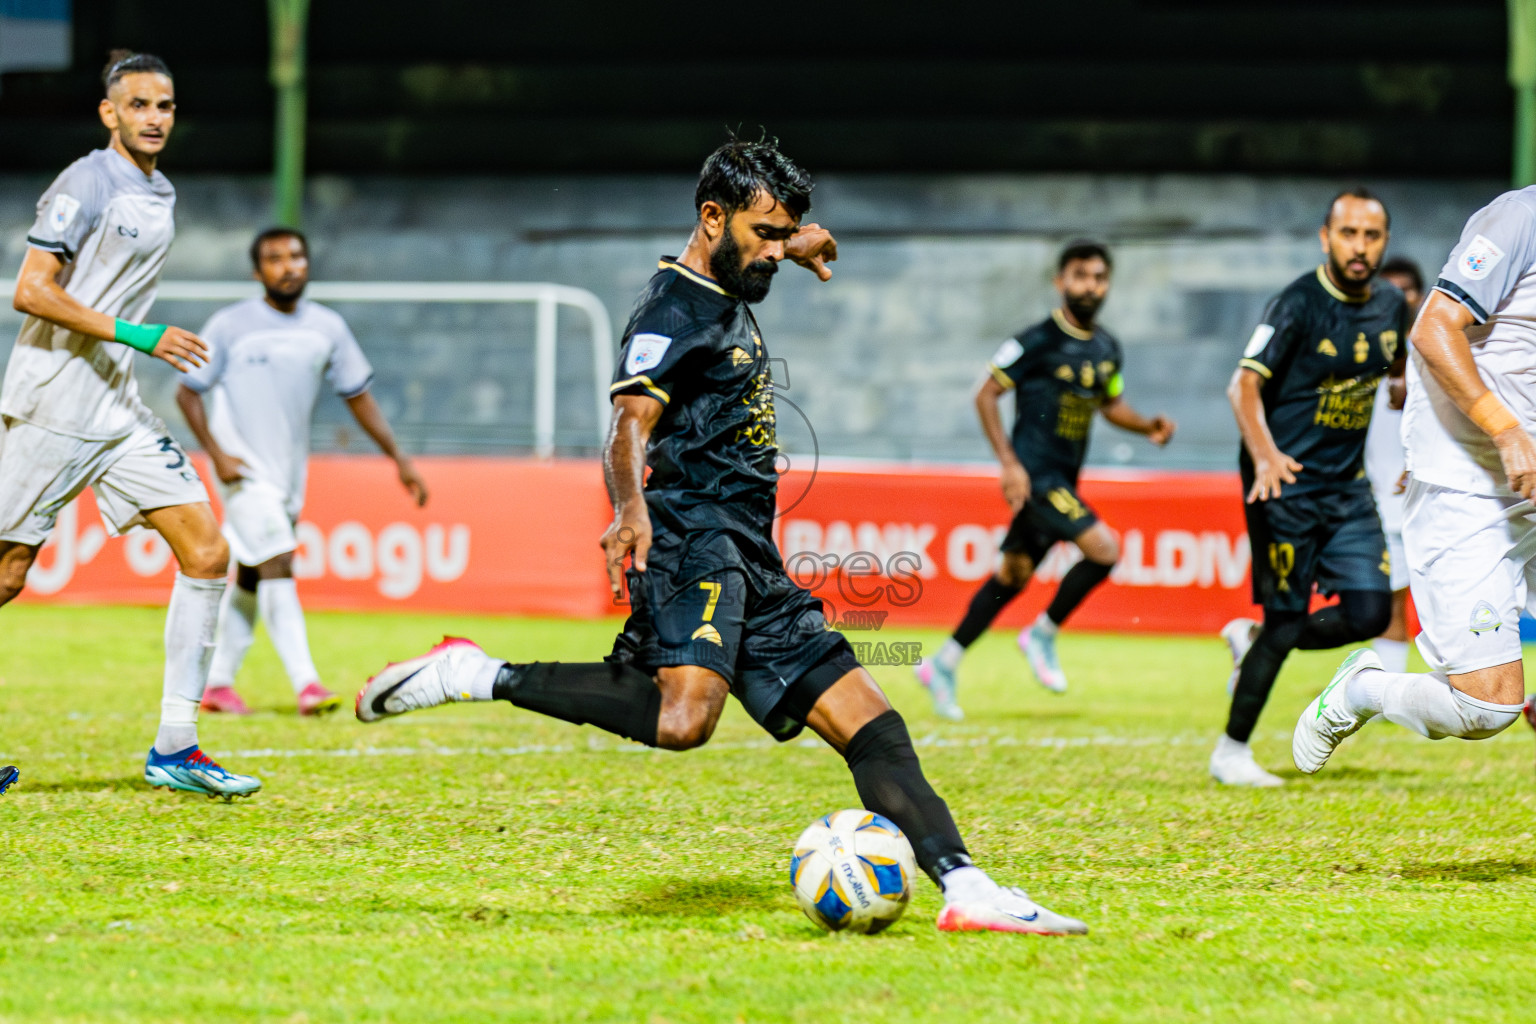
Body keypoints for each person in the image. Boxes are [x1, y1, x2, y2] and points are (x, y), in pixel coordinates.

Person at [353, 138, 1088, 936]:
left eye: (783, 234)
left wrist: (796, 240)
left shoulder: (737, 268)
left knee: (871, 722)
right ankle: (474, 673)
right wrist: (630, 507)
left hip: (752, 554)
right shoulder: (672, 310)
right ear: (711, 218)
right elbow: (628, 424)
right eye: (764, 234)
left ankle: (966, 887)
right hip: (691, 537)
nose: (775, 252)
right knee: (682, 721)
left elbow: (770, 245)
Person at [0, 52, 259, 798]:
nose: (154, 118)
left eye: (166, 106)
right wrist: (137, 335)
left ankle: (176, 746)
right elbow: (30, 290)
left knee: (208, 552)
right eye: (139, 105)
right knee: (8, 574)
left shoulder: (159, 188)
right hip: (55, 402)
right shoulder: (85, 182)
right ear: (109, 113)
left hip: (114, 408)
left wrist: (127, 349)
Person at [1293, 187, 1536, 772]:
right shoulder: (1519, 219)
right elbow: (1433, 330)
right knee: (1486, 708)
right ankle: (1362, 690)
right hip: (1471, 486)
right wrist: (1506, 431)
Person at [915, 241, 1174, 720]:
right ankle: (1043, 632)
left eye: (1099, 277)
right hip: (1036, 478)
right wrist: (1010, 464)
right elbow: (987, 394)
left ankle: (942, 664)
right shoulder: (1036, 340)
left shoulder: (1107, 349)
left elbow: (1110, 403)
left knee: (1011, 576)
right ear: (1060, 282)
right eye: (1080, 275)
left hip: (1064, 479)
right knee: (1105, 550)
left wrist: (1147, 426)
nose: (1090, 285)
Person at [175, 227, 429, 716]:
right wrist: (217, 454)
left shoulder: (327, 327)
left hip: (288, 474)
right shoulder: (230, 325)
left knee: (252, 573)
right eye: (274, 258)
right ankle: (307, 684)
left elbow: (358, 396)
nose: (287, 265)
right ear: (257, 271)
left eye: (296, 256)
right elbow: (189, 391)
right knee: (280, 562)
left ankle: (219, 684)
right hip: (242, 471)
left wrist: (399, 458)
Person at [1213, 188, 1405, 787]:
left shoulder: (1394, 305)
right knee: (1288, 617)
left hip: (1348, 489)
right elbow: (1242, 386)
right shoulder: (1298, 301)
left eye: (1371, 236)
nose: (1359, 247)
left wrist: (1409, 407)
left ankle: (1253, 640)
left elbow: (1407, 374)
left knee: (1370, 611)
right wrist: (1266, 456)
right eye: (1348, 233)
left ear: (1384, 243)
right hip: (1286, 484)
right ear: (1326, 237)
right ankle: (1231, 752)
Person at [1362, 258, 1425, 672]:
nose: (1398, 297)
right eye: (1390, 289)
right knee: (1384, 602)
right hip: (1377, 497)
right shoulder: (1363, 352)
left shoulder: (1437, 348)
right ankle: (1388, 687)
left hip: (1432, 492)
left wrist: (1419, 459)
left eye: (1407, 289)